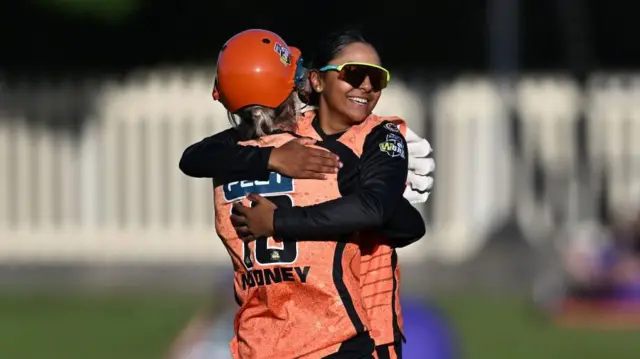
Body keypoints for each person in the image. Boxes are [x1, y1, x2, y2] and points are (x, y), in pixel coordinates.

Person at [178, 29, 427, 359]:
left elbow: (193, 157)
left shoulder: (226, 161)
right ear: (312, 81)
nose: (366, 86)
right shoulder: (325, 155)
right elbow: (404, 223)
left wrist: (276, 210)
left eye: (376, 78)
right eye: (353, 73)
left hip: (262, 342)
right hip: (336, 335)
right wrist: (275, 165)